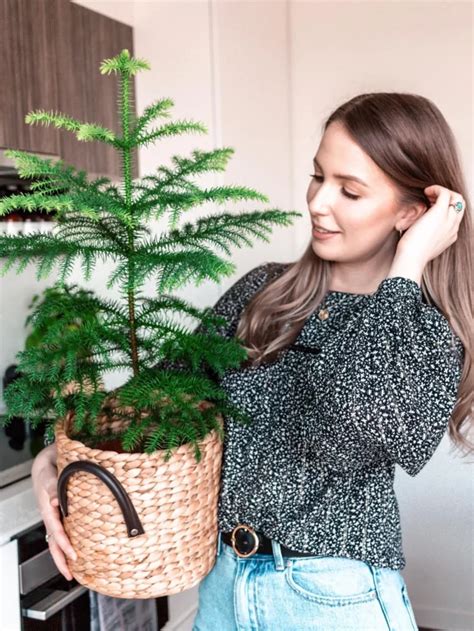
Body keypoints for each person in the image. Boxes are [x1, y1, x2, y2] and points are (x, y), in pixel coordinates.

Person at [31, 92, 472, 630]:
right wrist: (51, 461)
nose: (317, 202)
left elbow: (346, 436)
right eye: (318, 176)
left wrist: (405, 270)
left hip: (331, 598)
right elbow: (162, 402)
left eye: (350, 191)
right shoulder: (264, 291)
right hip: (221, 584)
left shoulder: (422, 328)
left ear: (413, 211)